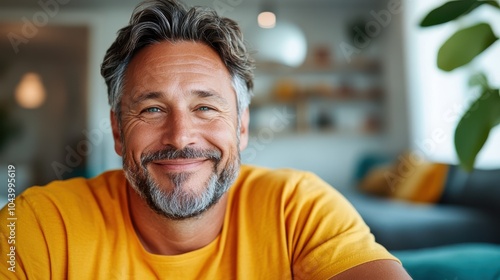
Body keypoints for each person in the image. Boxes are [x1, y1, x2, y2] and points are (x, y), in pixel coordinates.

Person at [0, 0, 411, 279]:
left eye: (206, 107)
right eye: (152, 109)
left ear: (242, 126)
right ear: (118, 132)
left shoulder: (298, 208)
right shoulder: (37, 225)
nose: (180, 136)